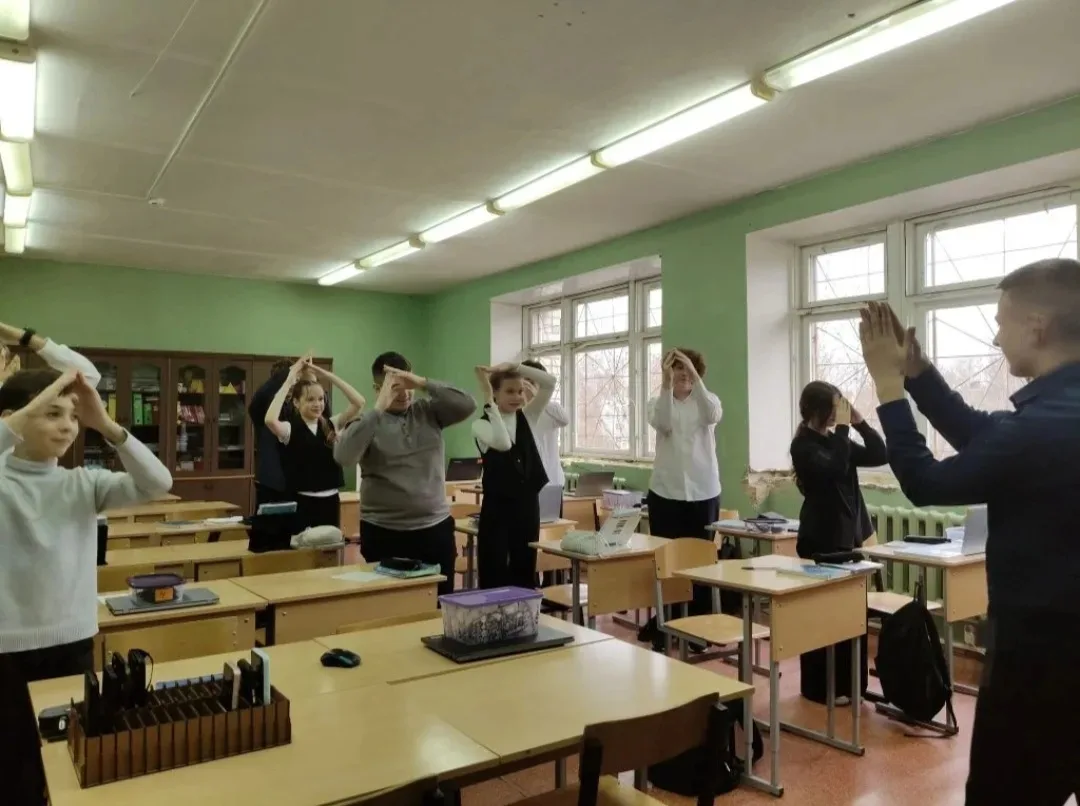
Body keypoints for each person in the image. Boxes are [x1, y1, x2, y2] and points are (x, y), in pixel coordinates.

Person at [857, 258, 1080, 806]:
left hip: (1040, 661)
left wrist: (888, 387)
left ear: (1037, 326)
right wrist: (918, 372)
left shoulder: (1038, 428)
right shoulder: (1053, 413)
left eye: (1002, 322)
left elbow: (924, 481)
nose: (996, 337)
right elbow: (981, 431)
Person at [0, 367, 173, 805]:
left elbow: (159, 482)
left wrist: (107, 425)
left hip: (73, 642)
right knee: (13, 765)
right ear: (12, 419)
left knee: (68, 759)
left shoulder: (83, 482)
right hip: (7, 651)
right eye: (51, 413)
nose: (67, 426)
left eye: (74, 417)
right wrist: (16, 421)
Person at [334, 352, 475, 595]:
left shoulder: (428, 412)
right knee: (391, 605)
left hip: (434, 528)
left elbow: (468, 405)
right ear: (378, 389)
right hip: (384, 531)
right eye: (395, 388)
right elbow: (344, 456)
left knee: (440, 601)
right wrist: (378, 409)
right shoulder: (365, 422)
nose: (405, 394)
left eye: (408, 386)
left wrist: (422, 382)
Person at [790, 381, 887, 705]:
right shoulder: (803, 445)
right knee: (823, 614)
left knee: (850, 614)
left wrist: (859, 422)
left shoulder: (836, 439)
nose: (837, 414)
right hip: (819, 538)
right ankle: (819, 688)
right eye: (833, 408)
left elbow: (879, 453)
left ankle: (850, 684)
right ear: (816, 410)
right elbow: (833, 468)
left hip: (847, 537)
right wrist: (845, 429)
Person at [643, 348, 723, 638]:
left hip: (704, 492)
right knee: (667, 561)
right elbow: (663, 423)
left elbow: (712, 415)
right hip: (666, 492)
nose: (684, 375)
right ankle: (667, 622)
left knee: (700, 561)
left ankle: (700, 626)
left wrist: (694, 372)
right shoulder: (657, 402)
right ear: (669, 372)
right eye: (678, 369)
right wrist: (666, 384)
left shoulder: (708, 400)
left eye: (689, 370)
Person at [471, 362, 554, 589]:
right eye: (509, 391)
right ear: (494, 393)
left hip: (527, 505)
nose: (517, 397)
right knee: (494, 570)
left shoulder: (528, 416)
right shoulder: (480, 425)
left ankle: (524, 610)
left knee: (524, 567)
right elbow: (503, 443)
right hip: (497, 508)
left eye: (520, 391)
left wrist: (516, 366)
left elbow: (549, 383)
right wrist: (488, 401)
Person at [263, 358, 365, 531]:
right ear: (296, 402)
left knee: (329, 545)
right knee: (304, 546)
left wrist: (326, 374)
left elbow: (359, 402)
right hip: (303, 502)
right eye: (310, 399)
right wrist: (289, 381)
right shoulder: (290, 429)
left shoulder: (331, 424)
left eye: (321, 399)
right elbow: (270, 420)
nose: (318, 404)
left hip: (331, 501)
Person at [248, 356, 329, 511]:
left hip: (298, 483)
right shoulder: (263, 406)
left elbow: (322, 409)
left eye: (295, 380)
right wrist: (291, 373)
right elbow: (261, 397)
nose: (293, 385)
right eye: (291, 380)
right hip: (272, 483)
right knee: (270, 524)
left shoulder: (297, 406)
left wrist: (310, 376)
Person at [520, 358, 569, 498]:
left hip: (553, 482)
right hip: (528, 486)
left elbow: (565, 420)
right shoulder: (516, 410)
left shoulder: (551, 409)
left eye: (532, 382)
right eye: (524, 381)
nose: (527, 386)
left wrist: (539, 397)